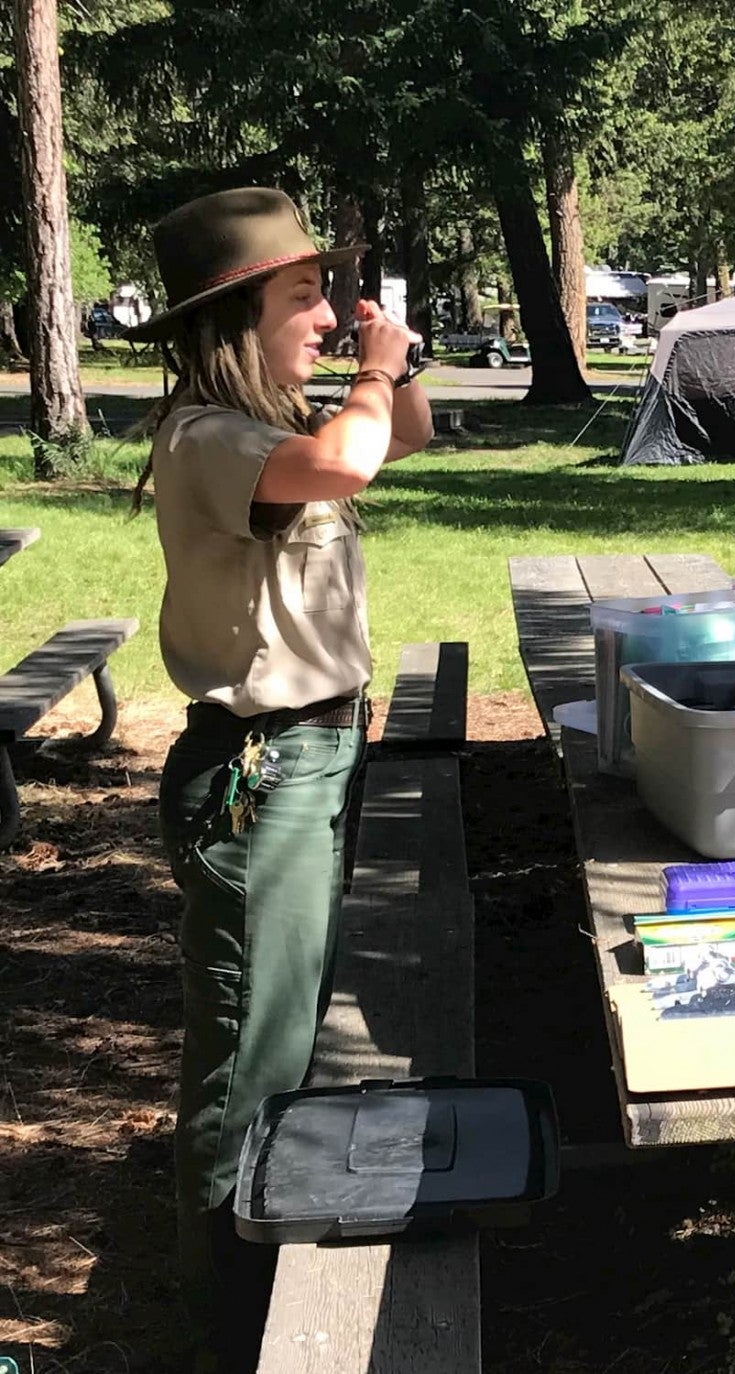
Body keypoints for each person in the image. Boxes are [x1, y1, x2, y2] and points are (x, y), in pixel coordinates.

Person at [122, 186, 432, 1372]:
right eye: (302, 298)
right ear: (235, 316)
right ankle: (228, 1315)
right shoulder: (213, 440)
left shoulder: (281, 422)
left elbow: (401, 439)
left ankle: (247, 1274)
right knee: (253, 1056)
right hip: (263, 773)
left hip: (316, 752)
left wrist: (381, 370)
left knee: (283, 1035)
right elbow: (356, 461)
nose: (325, 317)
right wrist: (377, 367)